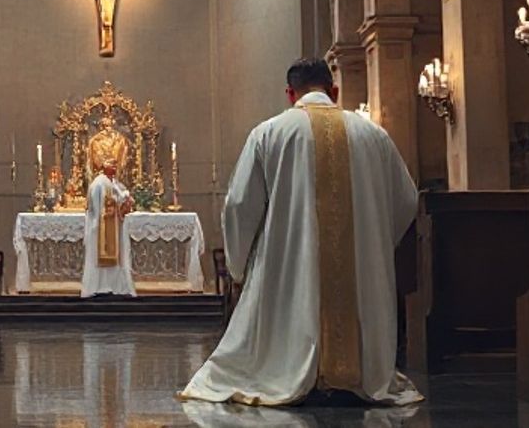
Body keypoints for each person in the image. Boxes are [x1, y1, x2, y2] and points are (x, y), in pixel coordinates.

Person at [178, 58, 422, 406]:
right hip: (360, 276)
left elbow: (239, 205)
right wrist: (374, 243)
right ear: (334, 90)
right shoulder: (373, 134)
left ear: (290, 93)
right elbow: (407, 199)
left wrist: (240, 265)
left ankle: (292, 371)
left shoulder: (269, 133)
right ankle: (359, 375)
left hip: (290, 266)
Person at [81, 159, 137, 298]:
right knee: (101, 257)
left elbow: (116, 199)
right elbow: (106, 205)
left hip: (107, 227)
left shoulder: (109, 182)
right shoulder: (100, 184)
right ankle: (102, 286)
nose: (116, 169)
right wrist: (123, 199)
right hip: (101, 228)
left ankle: (110, 285)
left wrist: (126, 200)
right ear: (105, 168)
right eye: (113, 166)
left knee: (111, 257)